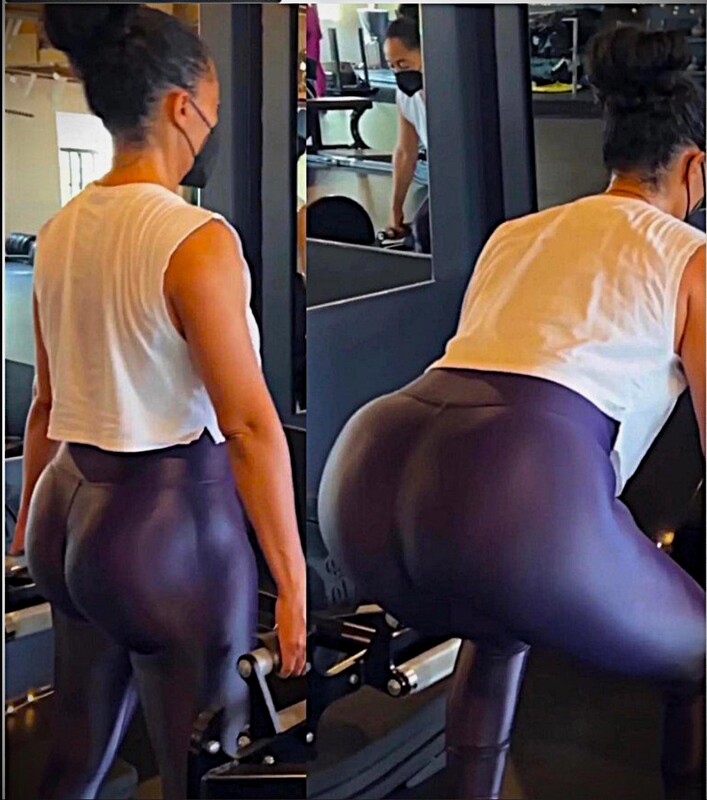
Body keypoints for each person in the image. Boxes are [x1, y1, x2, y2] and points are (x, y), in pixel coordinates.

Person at [319, 26, 705, 800]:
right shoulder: (688, 256)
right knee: (698, 653)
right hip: (518, 497)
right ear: (695, 166)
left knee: (495, 628)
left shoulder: (513, 235)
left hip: (362, 473)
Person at [10, 5, 306, 799]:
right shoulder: (195, 239)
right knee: (209, 771)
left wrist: (26, 532)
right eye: (211, 108)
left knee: (76, 753)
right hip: (167, 529)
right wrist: (293, 583)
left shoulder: (58, 229)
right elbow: (248, 425)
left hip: (66, 513)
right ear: (182, 107)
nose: (212, 126)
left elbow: (45, 404)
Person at [384, 13, 430, 254]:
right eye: (392, 66)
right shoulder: (405, 96)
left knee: (425, 229)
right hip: (442, 181)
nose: (398, 72)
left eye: (403, 64)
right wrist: (396, 210)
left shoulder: (451, 88)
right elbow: (405, 152)